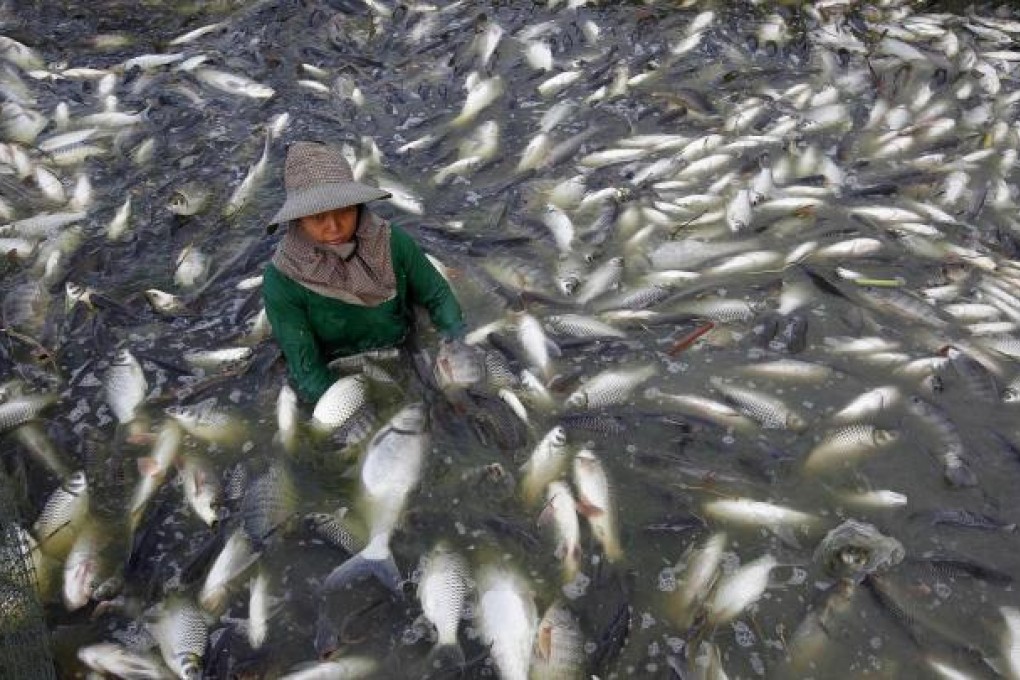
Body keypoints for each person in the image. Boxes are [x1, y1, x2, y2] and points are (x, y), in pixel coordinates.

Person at [263, 141, 466, 403]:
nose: (334, 227)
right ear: (298, 219)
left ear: (357, 206)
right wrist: (344, 407)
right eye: (318, 217)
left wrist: (456, 340)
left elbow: (436, 294)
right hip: (337, 365)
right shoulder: (282, 279)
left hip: (402, 344)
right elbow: (307, 369)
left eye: (344, 212)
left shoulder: (393, 242)